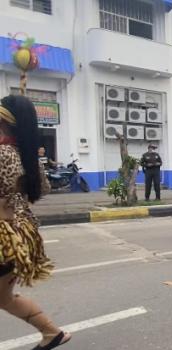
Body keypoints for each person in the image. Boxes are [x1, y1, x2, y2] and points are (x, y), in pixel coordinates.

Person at [0, 95, 72, 349]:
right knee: (4, 298)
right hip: (19, 236)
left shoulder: (2, 153)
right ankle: (51, 332)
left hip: (3, 238)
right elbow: (42, 189)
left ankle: (52, 332)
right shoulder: (29, 158)